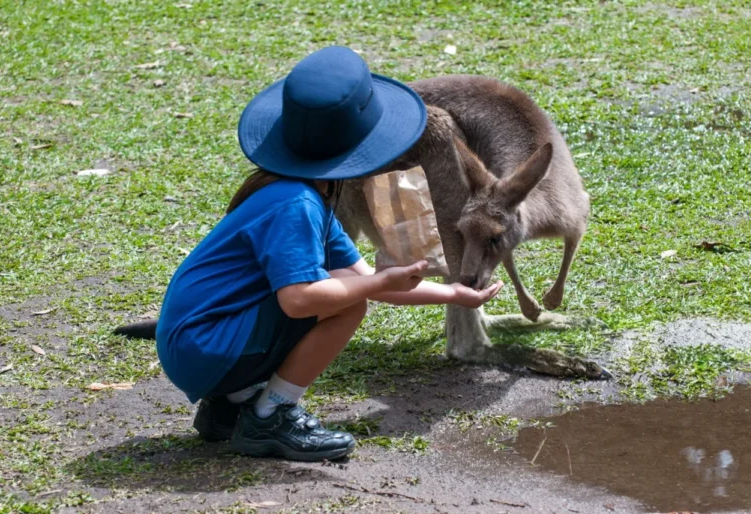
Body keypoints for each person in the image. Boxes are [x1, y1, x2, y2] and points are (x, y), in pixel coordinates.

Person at [155, 46, 504, 462]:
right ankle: (271, 414)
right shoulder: (296, 205)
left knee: (347, 288)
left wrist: (454, 294)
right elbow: (300, 300)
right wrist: (377, 282)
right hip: (203, 346)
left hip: (196, 343)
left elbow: (367, 282)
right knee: (346, 303)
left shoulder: (301, 194)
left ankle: (231, 405)